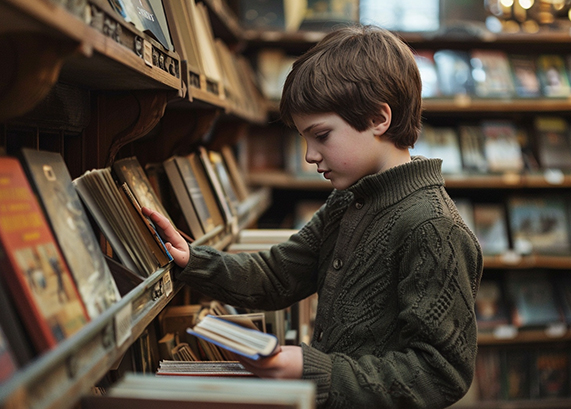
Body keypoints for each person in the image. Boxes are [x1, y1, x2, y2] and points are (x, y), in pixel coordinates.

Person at [145, 24, 483, 409]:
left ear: (378, 118)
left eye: (321, 136)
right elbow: (278, 274)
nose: (309, 155)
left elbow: (440, 373)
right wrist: (194, 259)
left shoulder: (434, 227)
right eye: (305, 139)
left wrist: (312, 369)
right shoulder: (348, 200)